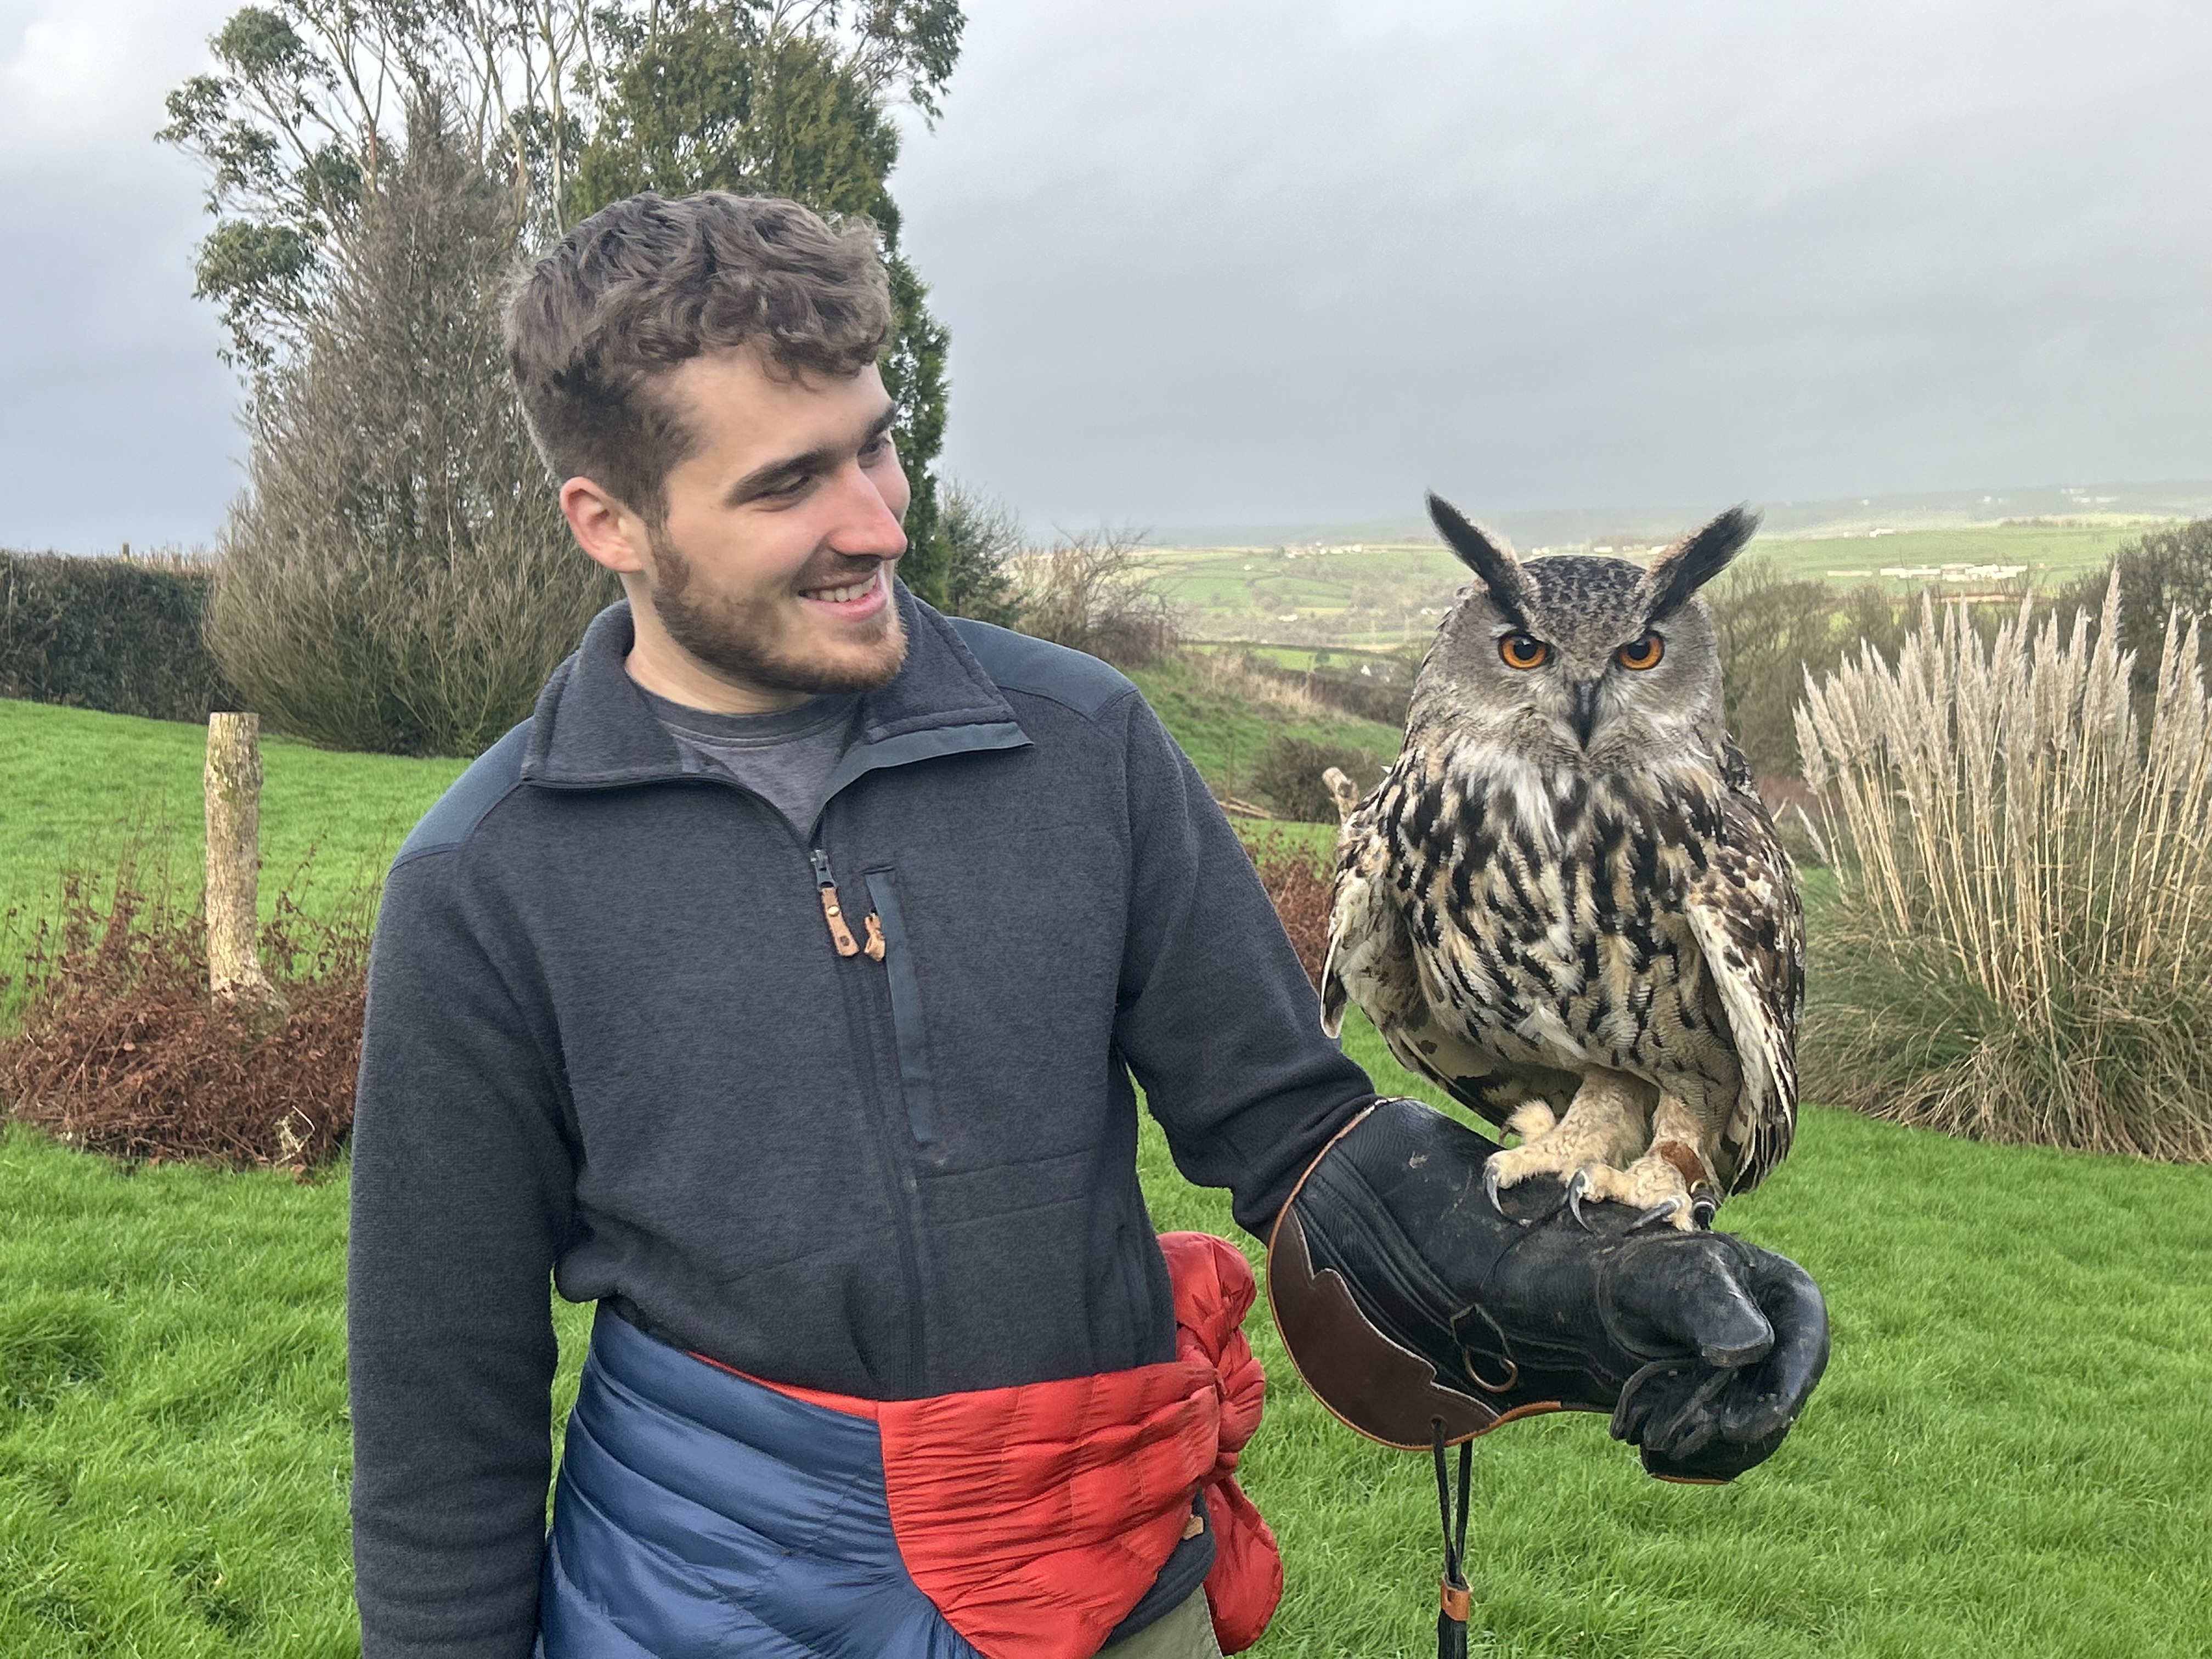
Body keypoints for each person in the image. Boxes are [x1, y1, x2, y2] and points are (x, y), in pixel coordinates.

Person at [348, 190, 1826, 1659]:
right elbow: (440, 1397)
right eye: (790, 484)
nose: (878, 521)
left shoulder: (1077, 741)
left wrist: (1577, 1282)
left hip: (1106, 1589)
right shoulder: (489, 878)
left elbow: (1289, 1127)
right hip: (704, 1604)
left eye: (875, 444)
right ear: (609, 521)